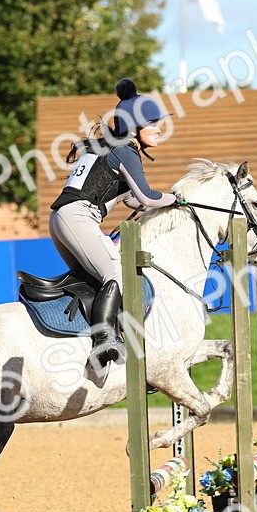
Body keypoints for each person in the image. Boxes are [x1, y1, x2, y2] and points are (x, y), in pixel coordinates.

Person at [48, 78, 178, 366]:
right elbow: (147, 196)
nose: (159, 128)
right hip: (78, 218)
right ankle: (104, 342)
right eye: (153, 123)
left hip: (62, 219)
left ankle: (87, 343)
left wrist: (154, 202)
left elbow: (133, 199)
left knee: (97, 281)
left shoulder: (109, 147)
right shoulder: (125, 151)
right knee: (118, 273)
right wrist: (176, 198)